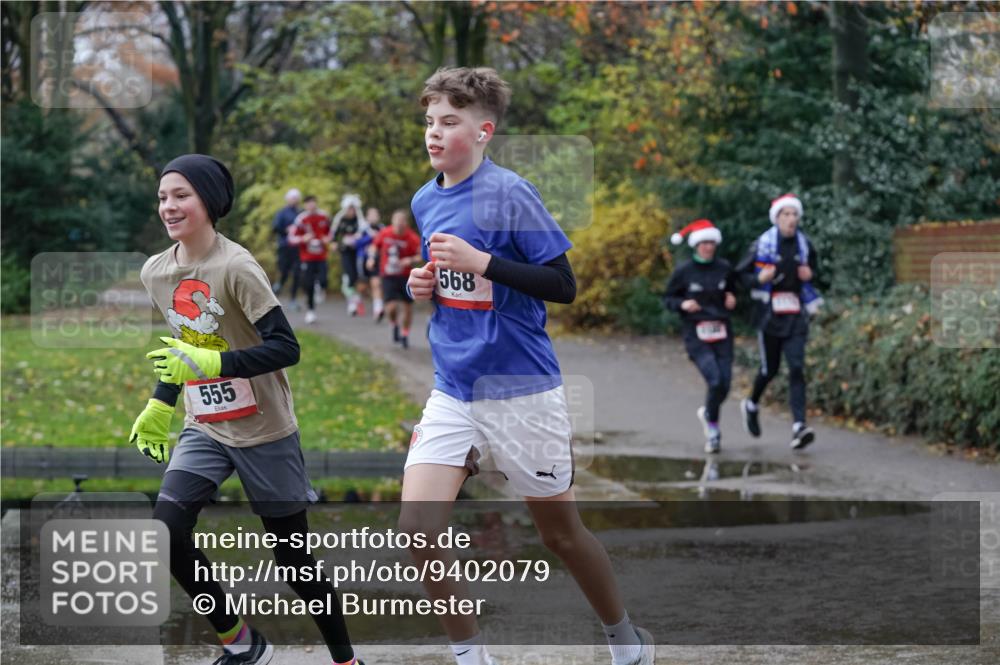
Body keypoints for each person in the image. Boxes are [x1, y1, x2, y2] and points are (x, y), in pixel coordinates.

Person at [401, 67, 655, 665]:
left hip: (522, 392)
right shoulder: (424, 200)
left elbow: (563, 285)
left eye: (449, 122)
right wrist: (423, 284)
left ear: (483, 131)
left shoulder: (511, 194)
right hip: (454, 389)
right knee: (417, 530)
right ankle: (471, 657)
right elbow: (452, 284)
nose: (434, 133)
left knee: (559, 535)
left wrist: (483, 262)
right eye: (429, 121)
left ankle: (625, 642)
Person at [129, 154, 361, 665]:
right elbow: (183, 347)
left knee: (295, 562)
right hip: (205, 427)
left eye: (181, 195)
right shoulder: (156, 271)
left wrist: (218, 363)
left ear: (209, 201)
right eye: (163, 196)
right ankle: (242, 642)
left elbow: (286, 348)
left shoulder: (236, 267)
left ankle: (346, 660)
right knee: (166, 530)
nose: (168, 206)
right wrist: (160, 401)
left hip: (265, 430)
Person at [736, 193, 823, 450]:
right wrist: (759, 279)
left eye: (795, 214)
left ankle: (799, 427)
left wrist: (810, 274)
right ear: (777, 218)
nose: (791, 219)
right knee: (770, 369)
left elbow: (816, 272)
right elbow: (740, 277)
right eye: (786, 214)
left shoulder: (805, 245)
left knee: (796, 367)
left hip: (795, 314)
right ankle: (751, 404)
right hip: (769, 316)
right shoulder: (761, 245)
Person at [663, 219, 738, 454]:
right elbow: (668, 298)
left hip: (722, 332)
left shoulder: (724, 268)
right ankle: (713, 431)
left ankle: (708, 413)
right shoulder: (684, 271)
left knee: (725, 384)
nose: (708, 247)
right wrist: (683, 304)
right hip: (696, 334)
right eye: (704, 243)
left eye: (711, 243)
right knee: (714, 380)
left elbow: (734, 290)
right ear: (696, 245)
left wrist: (732, 298)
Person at [370, 209, 421, 348]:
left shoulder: (412, 237)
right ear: (392, 222)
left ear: (406, 223)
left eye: (401, 222)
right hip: (388, 276)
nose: (399, 225)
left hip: (405, 276)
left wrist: (410, 260)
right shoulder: (385, 233)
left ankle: (405, 334)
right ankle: (394, 324)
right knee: (391, 308)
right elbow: (374, 246)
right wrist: (371, 258)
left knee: (407, 307)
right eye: (396, 222)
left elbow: (420, 254)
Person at [289, 195, 333, 325]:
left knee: (323, 280)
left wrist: (327, 239)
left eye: (313, 203)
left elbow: (331, 232)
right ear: (305, 205)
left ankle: (320, 288)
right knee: (308, 284)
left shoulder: (324, 216)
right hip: (307, 257)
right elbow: (291, 238)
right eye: (309, 203)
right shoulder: (301, 219)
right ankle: (311, 311)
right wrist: (303, 239)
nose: (312, 206)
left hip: (322, 256)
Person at [330, 194, 368, 316]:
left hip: (358, 253)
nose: (351, 211)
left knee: (358, 277)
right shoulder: (340, 220)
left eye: (353, 208)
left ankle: (355, 299)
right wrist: (334, 243)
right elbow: (333, 235)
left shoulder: (360, 220)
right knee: (350, 275)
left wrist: (357, 239)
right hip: (345, 251)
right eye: (349, 208)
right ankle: (352, 302)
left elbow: (366, 233)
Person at [271, 188, 301, 303]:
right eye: (292, 198)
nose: (294, 200)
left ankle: (293, 299)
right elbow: (275, 228)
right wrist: (286, 230)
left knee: (297, 273)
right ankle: (278, 287)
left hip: (298, 248)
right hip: (284, 246)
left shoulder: (301, 213)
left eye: (296, 198)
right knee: (284, 271)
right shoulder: (282, 213)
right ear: (288, 199)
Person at [354, 206, 382, 321]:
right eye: (371, 215)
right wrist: (369, 237)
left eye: (376, 215)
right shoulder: (362, 229)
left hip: (376, 259)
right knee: (363, 286)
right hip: (363, 259)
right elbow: (356, 243)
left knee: (376, 284)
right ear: (367, 217)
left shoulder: (382, 228)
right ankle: (358, 300)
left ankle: (378, 309)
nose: (374, 217)